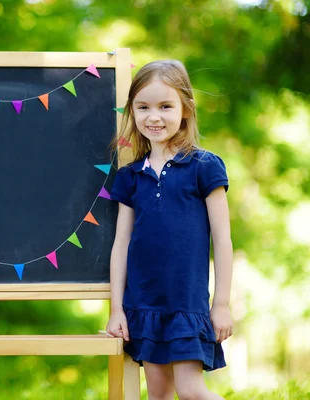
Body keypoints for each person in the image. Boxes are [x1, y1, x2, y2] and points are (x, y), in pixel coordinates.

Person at [105, 60, 233, 400]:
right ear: (132, 111)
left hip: (186, 305)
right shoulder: (130, 177)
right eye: (143, 107)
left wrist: (221, 304)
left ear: (186, 109)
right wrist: (117, 309)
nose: (154, 116)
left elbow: (222, 239)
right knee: (158, 395)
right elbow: (122, 243)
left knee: (191, 391)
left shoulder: (204, 167)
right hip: (144, 305)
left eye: (165, 106)